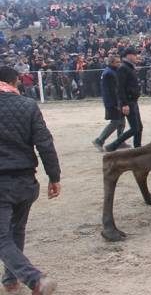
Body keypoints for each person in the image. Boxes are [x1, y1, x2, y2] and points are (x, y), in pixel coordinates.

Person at [0, 67, 60, 294]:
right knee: (16, 230)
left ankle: (34, 279)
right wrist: (54, 177)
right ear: (15, 82)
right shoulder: (28, 105)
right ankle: (9, 280)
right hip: (25, 181)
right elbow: (45, 143)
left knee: (2, 235)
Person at [104, 48, 143, 152]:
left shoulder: (129, 67)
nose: (136, 57)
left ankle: (138, 148)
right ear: (128, 55)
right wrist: (124, 104)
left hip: (133, 101)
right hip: (128, 101)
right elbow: (120, 88)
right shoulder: (123, 68)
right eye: (134, 54)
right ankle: (113, 146)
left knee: (139, 127)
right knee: (135, 128)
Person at [92, 55, 125, 151]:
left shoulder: (112, 71)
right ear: (111, 63)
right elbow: (112, 91)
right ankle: (99, 140)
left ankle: (120, 141)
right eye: (117, 62)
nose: (119, 64)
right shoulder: (109, 74)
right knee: (115, 122)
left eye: (120, 62)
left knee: (122, 121)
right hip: (112, 102)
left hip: (115, 101)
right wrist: (116, 103)